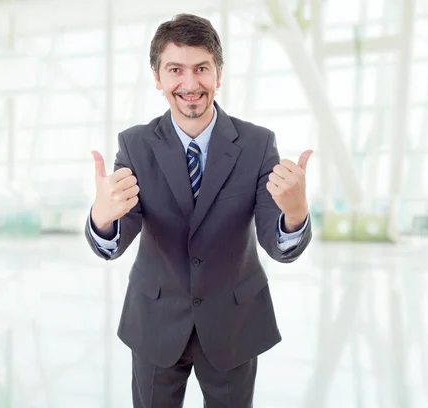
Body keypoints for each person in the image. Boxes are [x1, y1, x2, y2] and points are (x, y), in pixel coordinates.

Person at [85, 13, 313, 408]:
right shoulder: (136, 145)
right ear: (157, 78)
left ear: (218, 74)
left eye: (201, 69)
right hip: (156, 322)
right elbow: (118, 237)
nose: (190, 84)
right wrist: (102, 218)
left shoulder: (257, 144)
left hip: (233, 322)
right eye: (175, 70)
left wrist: (294, 216)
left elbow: (274, 241)